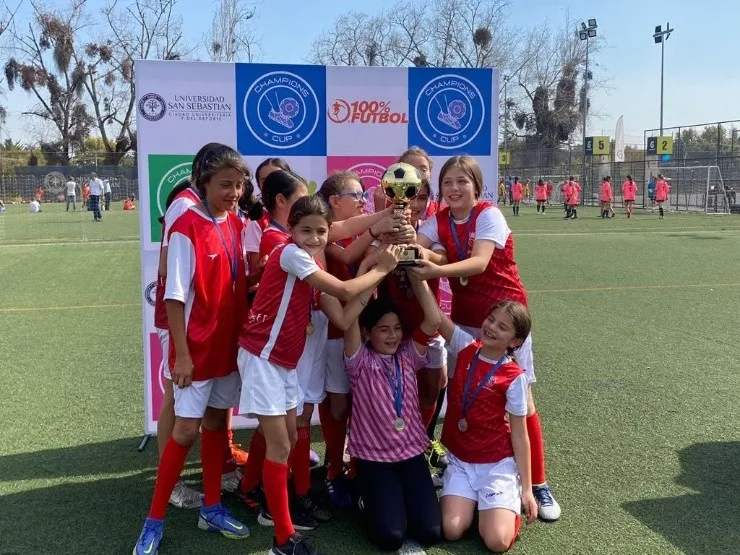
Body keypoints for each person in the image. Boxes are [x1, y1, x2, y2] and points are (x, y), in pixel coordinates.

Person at [237, 195, 402, 555]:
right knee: (280, 445)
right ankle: (282, 535)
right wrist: (381, 269)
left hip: (283, 362)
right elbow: (343, 290)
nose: (313, 238)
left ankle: (276, 518)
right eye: (306, 230)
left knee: (286, 441)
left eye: (321, 232)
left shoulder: (309, 264)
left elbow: (343, 316)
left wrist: (368, 273)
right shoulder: (291, 254)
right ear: (291, 228)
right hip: (263, 358)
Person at [411, 155, 561, 521]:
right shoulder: (439, 220)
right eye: (447, 182)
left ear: (477, 187)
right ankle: (459, 467)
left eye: (462, 181)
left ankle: (537, 482)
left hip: (505, 322)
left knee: (523, 402)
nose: (454, 188)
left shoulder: (488, 215)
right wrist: (420, 249)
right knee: (462, 393)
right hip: (467, 320)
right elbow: (419, 245)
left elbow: (479, 262)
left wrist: (435, 266)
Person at [133, 144, 250, 555]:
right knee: (185, 431)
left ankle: (212, 508)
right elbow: (174, 297)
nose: (234, 193)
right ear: (202, 182)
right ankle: (153, 522)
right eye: (225, 184)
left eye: (239, 185)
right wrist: (182, 354)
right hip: (197, 349)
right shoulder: (186, 224)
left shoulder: (234, 221)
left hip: (227, 346)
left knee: (217, 423)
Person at [345, 280, 442, 552]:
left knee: (430, 531)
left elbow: (433, 320)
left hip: (410, 455)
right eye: (384, 329)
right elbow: (349, 318)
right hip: (375, 459)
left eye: (397, 328)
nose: (392, 336)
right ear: (367, 333)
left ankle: (397, 499)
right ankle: (365, 496)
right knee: (390, 536)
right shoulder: (359, 361)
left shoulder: (409, 354)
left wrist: (415, 275)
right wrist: (370, 273)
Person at [437, 301, 538, 552]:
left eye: (502, 327)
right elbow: (435, 317)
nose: (491, 327)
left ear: (515, 341)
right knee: (451, 530)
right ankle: (480, 507)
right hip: (461, 461)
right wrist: (419, 281)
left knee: (497, 542)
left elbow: (520, 436)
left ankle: (503, 501)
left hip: (495, 465)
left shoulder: (514, 376)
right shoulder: (465, 347)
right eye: (491, 319)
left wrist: (528, 489)